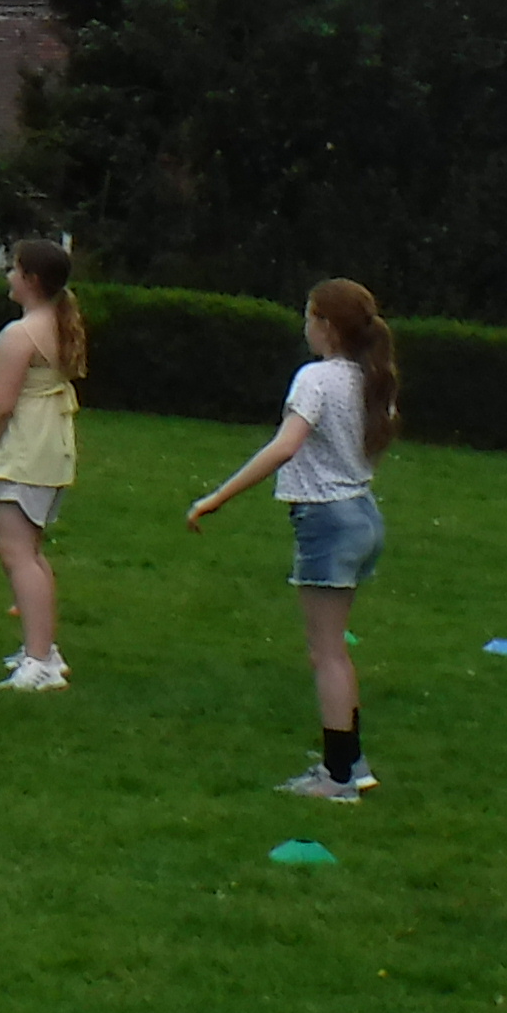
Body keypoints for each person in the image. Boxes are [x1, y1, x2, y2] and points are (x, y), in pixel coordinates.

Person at [187, 276, 399, 802]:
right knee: (335, 652)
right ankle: (351, 762)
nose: (305, 326)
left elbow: (286, 446)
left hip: (327, 520)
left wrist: (217, 497)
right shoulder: (369, 378)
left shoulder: (317, 379)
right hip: (363, 516)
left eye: (309, 316)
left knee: (326, 653)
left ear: (326, 325)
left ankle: (338, 777)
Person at [0, 238, 87, 692]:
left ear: (31, 279)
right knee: (27, 551)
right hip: (47, 445)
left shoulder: (20, 333)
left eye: (14, 269)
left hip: (25, 450)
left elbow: (1, 406)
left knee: (17, 553)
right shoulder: (55, 322)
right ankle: (44, 650)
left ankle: (39, 660)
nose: (9, 276)